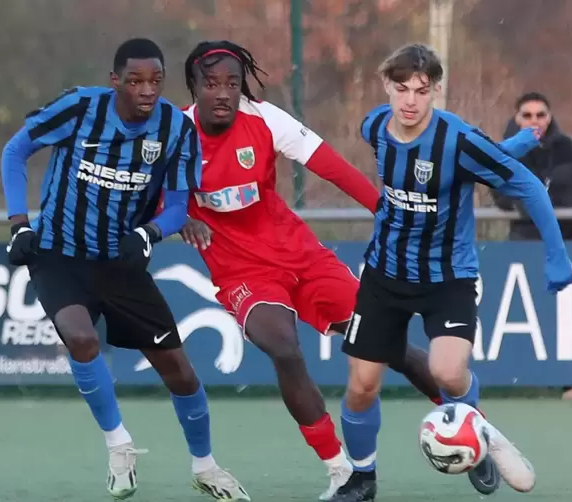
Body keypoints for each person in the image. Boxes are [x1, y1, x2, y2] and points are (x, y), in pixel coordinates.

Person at [175, 39, 455, 501]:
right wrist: (176, 216)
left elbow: (334, 168)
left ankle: (475, 427)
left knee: (387, 344)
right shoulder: (173, 133)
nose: (223, 92)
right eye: (211, 83)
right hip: (243, 272)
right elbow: (152, 197)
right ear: (194, 88)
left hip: (301, 255)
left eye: (232, 82)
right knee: (283, 346)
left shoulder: (265, 119)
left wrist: (387, 213)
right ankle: (340, 469)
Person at [0, 38, 249, 500]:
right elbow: (15, 151)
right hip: (59, 252)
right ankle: (119, 446)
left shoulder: (176, 129)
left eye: (155, 80)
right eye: (134, 80)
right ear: (115, 81)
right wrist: (19, 223)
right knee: (80, 336)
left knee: (180, 373)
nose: (146, 90)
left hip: (121, 261)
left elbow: (178, 206)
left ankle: (205, 466)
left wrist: (149, 233)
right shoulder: (80, 108)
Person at [329, 43, 572, 502]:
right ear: (386, 87)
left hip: (448, 277)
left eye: (421, 91)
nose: (409, 101)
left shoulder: (457, 138)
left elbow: (524, 185)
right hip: (384, 274)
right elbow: (456, 170)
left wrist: (556, 253)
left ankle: (475, 440)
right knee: (361, 386)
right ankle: (362, 477)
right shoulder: (373, 127)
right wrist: (502, 150)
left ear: (436, 90)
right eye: (400, 89)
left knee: (446, 372)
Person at [495, 91, 572, 241]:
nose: (534, 121)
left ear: (549, 118)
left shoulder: (566, 147)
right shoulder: (506, 151)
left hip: (569, 236)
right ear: (518, 119)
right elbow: (498, 191)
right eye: (527, 115)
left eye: (540, 115)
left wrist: (570, 206)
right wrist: (523, 205)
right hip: (524, 237)